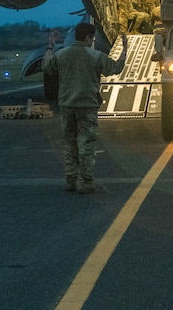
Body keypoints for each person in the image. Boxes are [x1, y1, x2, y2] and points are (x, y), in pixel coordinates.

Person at [42, 23, 127, 194]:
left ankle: (70, 179)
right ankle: (85, 182)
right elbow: (115, 68)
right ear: (87, 37)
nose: (93, 40)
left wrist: (50, 45)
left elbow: (46, 67)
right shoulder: (95, 56)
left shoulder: (62, 55)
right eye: (92, 37)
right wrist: (124, 49)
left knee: (70, 144)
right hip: (87, 106)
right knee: (86, 145)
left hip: (66, 105)